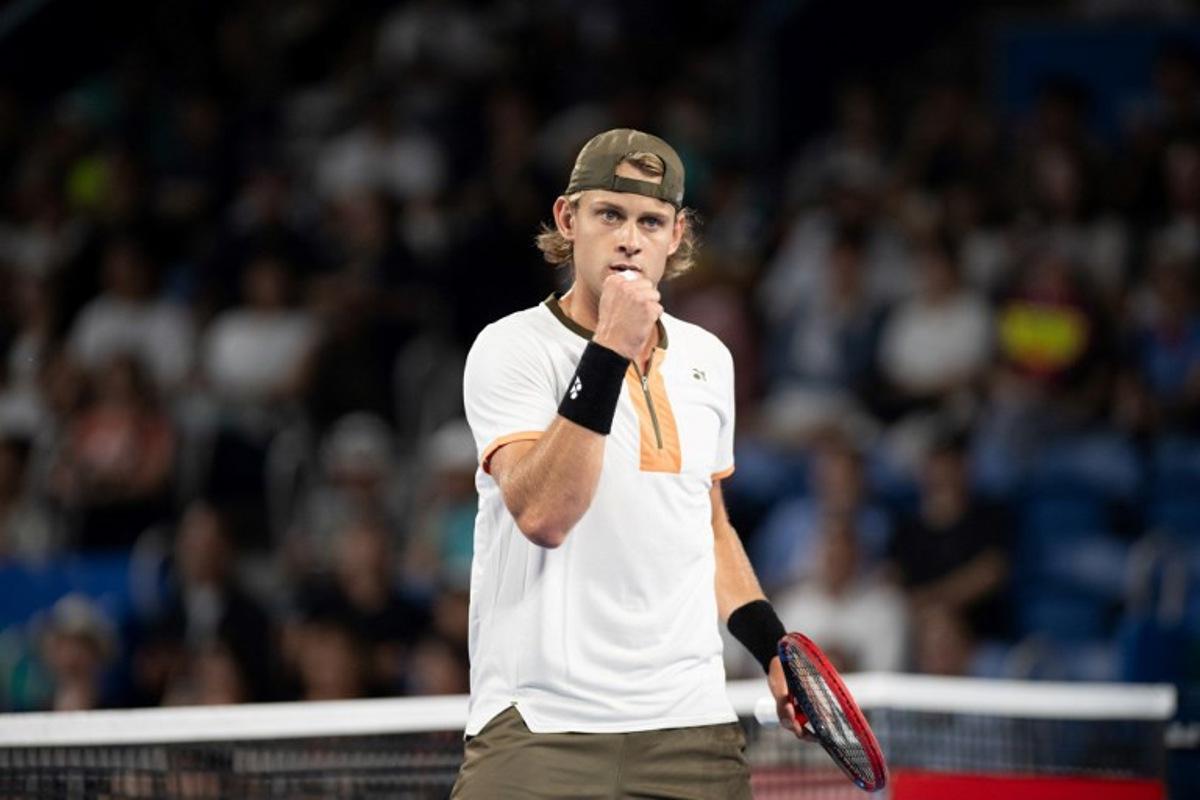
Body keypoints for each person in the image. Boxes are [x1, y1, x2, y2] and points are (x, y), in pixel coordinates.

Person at [452, 129, 802, 799]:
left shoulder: (709, 358)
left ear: (676, 236)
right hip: (540, 727)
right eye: (608, 214)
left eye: (650, 221)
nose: (629, 238)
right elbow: (546, 515)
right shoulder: (512, 348)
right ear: (567, 220)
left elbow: (709, 525)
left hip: (691, 730)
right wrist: (611, 346)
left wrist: (772, 645)